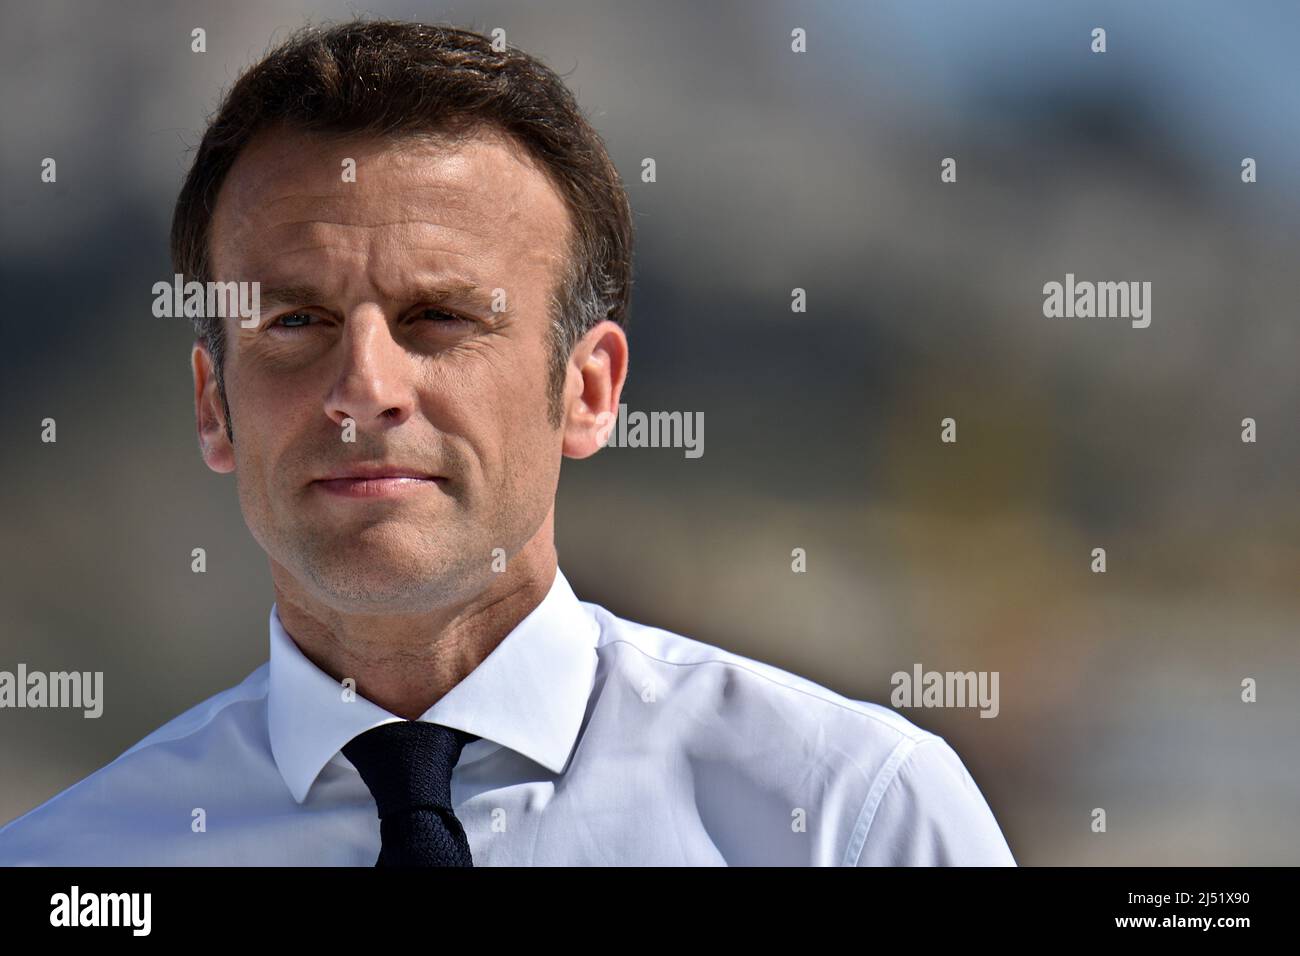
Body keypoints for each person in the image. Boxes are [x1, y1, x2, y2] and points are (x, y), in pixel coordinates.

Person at [0, 20, 1014, 866]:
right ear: (214, 402)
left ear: (588, 390)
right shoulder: (71, 864)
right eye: (295, 322)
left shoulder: (852, 819)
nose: (363, 390)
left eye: (439, 316)